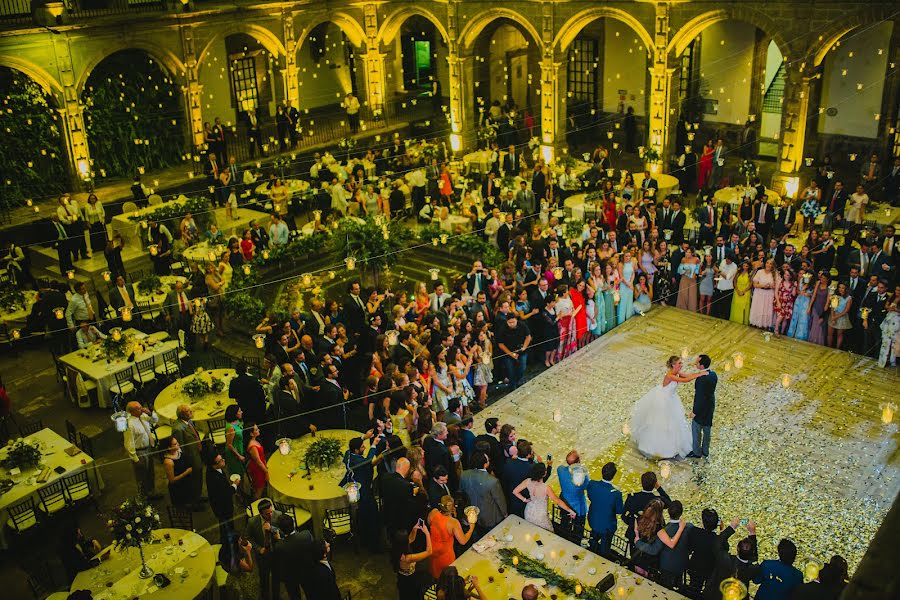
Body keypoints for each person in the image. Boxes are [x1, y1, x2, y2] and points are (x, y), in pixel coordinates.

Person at [513, 462, 575, 531]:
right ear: (544, 474)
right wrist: (570, 510)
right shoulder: (546, 488)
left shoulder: (527, 481)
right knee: (548, 532)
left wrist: (525, 500)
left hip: (529, 511)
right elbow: (557, 501)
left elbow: (515, 491)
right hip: (540, 515)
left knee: (532, 531)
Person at [458, 451, 507, 538]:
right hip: (489, 516)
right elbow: (499, 500)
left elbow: (461, 492)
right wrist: (504, 514)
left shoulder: (464, 475)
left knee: (475, 536)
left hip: (471, 514)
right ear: (485, 464)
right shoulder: (492, 481)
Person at [427, 494, 475, 579]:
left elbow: (429, 523)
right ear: (452, 507)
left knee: (435, 572)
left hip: (432, 549)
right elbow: (462, 541)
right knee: (447, 577)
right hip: (445, 554)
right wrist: (471, 528)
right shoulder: (453, 522)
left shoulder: (433, 512)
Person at [122, 401, 162, 500]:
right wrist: (135, 459)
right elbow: (128, 443)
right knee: (142, 476)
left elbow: (155, 420)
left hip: (148, 448)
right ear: (132, 412)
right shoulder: (129, 424)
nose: (142, 409)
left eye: (141, 407)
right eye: (139, 408)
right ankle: (144, 497)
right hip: (139, 452)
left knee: (150, 473)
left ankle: (151, 492)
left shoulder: (143, 416)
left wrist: (150, 413)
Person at [244, 499, 282, 600]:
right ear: (261, 513)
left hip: (276, 554)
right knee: (264, 579)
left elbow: (283, 531)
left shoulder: (278, 515)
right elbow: (248, 537)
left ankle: (276, 597)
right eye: (267, 514)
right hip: (262, 556)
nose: (270, 515)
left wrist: (272, 529)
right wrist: (258, 548)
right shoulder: (252, 522)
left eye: (271, 512)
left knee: (276, 578)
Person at [586, 461, 623, 557]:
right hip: (607, 526)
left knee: (593, 540)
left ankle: (591, 549)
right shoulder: (616, 494)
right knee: (605, 547)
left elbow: (590, 497)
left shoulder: (592, 484)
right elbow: (619, 511)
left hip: (593, 520)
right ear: (614, 476)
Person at [172, 405, 204, 508]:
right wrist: (187, 463)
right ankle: (194, 502)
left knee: (198, 477)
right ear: (182, 414)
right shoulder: (178, 428)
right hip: (191, 458)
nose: (191, 412)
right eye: (189, 411)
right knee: (193, 480)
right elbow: (181, 448)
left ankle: (198, 496)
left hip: (197, 453)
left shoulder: (189, 421)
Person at [392, 523, 433, 600]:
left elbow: (411, 539)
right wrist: (427, 533)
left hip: (401, 577)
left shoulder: (396, 547)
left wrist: (415, 528)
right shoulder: (407, 558)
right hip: (409, 580)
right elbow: (429, 552)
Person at [687, 354, 717, 459]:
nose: (695, 363)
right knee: (707, 430)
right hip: (710, 407)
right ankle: (705, 451)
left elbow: (699, 397)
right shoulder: (713, 375)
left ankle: (696, 452)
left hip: (701, 409)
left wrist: (695, 411)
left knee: (696, 430)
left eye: (697, 362)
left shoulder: (701, 379)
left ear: (702, 365)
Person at [556, 450, 588, 541]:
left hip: (564, 503)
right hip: (578, 507)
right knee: (578, 530)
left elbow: (562, 467)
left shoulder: (560, 470)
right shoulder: (583, 477)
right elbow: (586, 486)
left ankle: (563, 537)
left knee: (564, 523)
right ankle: (575, 541)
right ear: (578, 462)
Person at [207, 452, 239, 542]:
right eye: (221, 460)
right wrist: (235, 485)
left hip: (219, 505)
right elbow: (226, 493)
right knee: (227, 525)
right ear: (215, 465)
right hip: (223, 507)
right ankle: (230, 544)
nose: (223, 460)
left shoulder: (212, 470)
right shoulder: (215, 478)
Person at [162, 436, 193, 507]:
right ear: (169, 448)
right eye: (175, 444)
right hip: (178, 488)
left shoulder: (178, 451)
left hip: (186, 483)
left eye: (177, 442)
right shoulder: (168, 462)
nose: (178, 444)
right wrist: (186, 472)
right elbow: (172, 480)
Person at [749, 259, 776, 330]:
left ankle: (765, 326)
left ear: (773, 266)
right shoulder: (760, 272)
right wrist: (763, 285)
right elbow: (754, 284)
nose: (768, 265)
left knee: (767, 309)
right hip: (759, 293)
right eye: (767, 263)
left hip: (769, 294)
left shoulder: (775, 274)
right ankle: (757, 324)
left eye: (770, 263)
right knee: (759, 308)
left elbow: (777, 286)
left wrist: (770, 286)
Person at [245, 422, 268, 499]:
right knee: (259, 489)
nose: (259, 430)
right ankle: (256, 504)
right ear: (251, 434)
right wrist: (266, 471)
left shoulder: (255, 440)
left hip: (261, 466)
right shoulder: (253, 447)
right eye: (256, 429)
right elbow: (258, 462)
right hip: (257, 469)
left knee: (260, 486)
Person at [223, 405, 245, 477]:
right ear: (234, 414)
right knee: (237, 474)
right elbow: (229, 444)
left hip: (239, 446)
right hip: (233, 453)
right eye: (239, 411)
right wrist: (239, 456)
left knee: (242, 471)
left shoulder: (237, 421)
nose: (241, 412)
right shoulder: (231, 428)